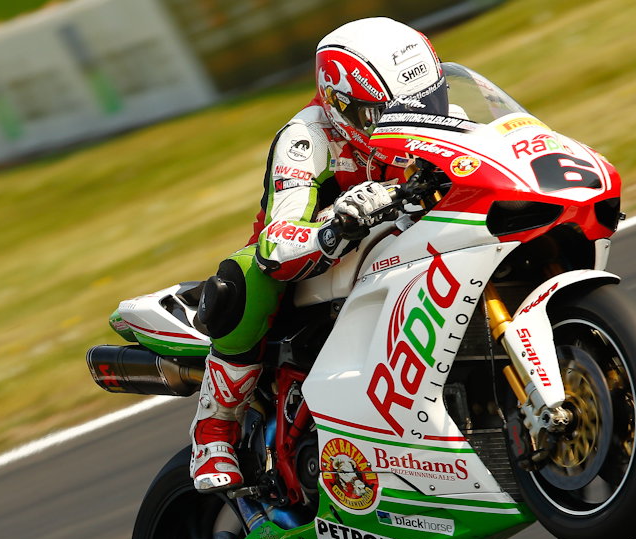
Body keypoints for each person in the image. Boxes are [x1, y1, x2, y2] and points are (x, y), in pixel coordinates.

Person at [190, 17, 448, 492]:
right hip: (310, 270)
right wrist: (338, 225)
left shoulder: (424, 116)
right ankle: (215, 429)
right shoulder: (306, 139)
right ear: (339, 106)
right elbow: (277, 244)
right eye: (381, 115)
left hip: (398, 249)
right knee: (243, 277)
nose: (411, 122)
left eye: (429, 103)